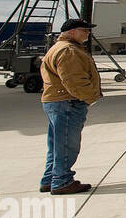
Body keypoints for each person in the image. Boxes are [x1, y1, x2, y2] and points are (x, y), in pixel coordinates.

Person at [39, 18, 103, 194]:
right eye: (85, 30)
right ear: (72, 32)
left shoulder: (59, 48)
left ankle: (49, 179)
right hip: (68, 102)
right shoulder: (68, 51)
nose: (88, 33)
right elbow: (74, 81)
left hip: (56, 101)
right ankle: (62, 182)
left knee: (57, 144)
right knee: (67, 145)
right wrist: (90, 97)